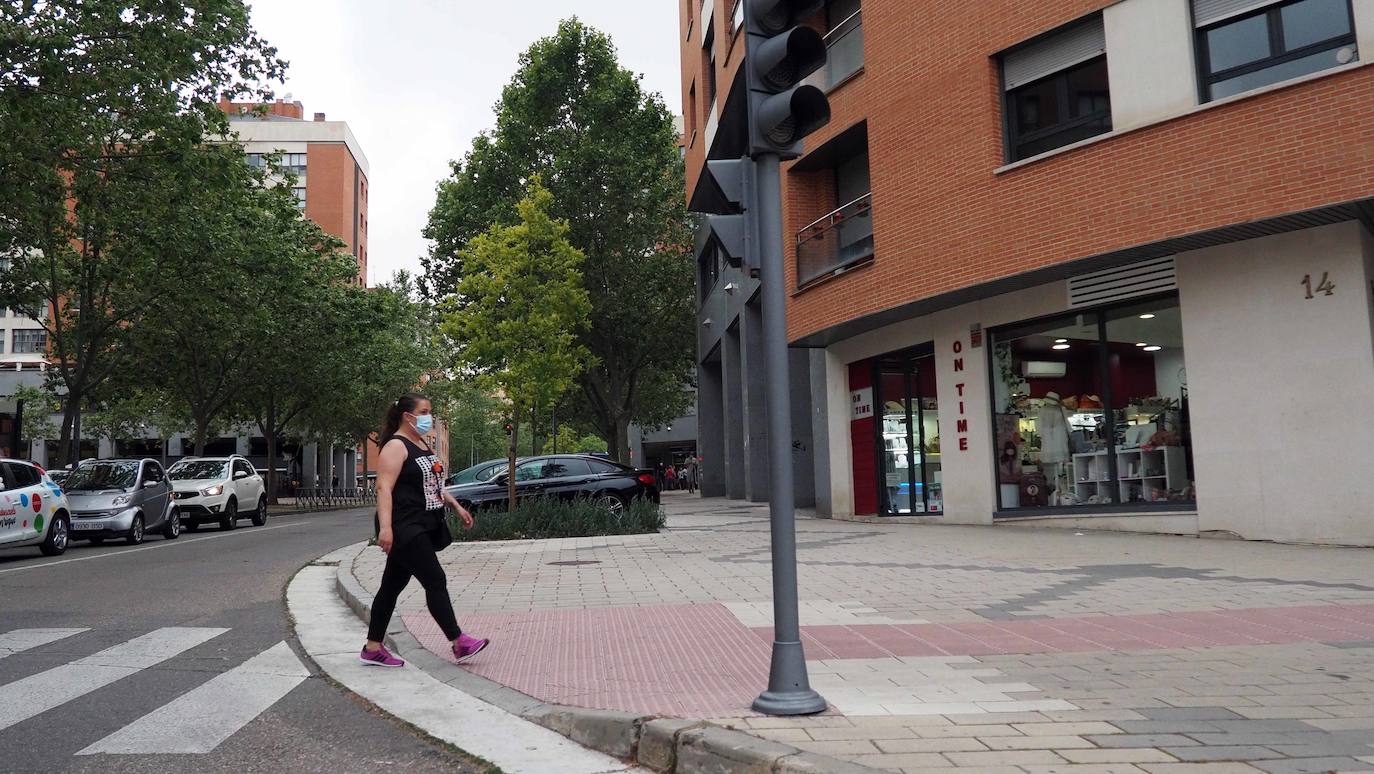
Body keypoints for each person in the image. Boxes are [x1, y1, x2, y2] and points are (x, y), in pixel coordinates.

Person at [361, 393, 489, 668]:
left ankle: (373, 647)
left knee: (391, 587)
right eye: (424, 411)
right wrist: (385, 529)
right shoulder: (396, 446)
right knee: (435, 580)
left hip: (421, 523)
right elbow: (383, 487)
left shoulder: (420, 444)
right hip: (404, 525)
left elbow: (433, 484)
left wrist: (456, 506)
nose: (428, 417)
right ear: (408, 416)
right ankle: (458, 641)